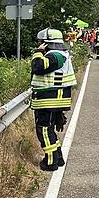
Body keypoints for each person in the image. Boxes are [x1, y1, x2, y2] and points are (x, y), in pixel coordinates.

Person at [30, 28, 76, 171]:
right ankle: (58, 158)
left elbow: (38, 67)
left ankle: (50, 162)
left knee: (44, 130)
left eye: (42, 43)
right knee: (49, 130)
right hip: (54, 99)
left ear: (46, 43)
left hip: (49, 100)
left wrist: (38, 52)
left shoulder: (55, 56)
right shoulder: (62, 54)